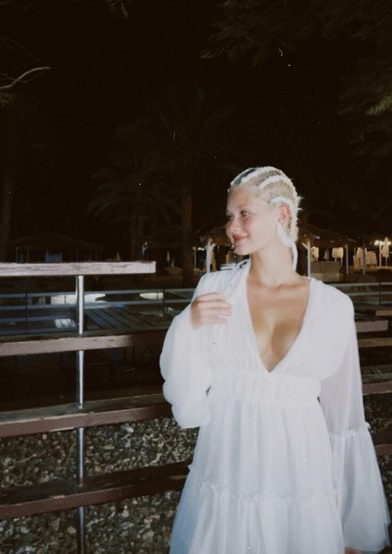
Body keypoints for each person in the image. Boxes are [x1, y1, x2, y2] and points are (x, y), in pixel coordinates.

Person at [160, 166, 390, 554]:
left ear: (281, 213)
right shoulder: (215, 289)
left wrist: (350, 522)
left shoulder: (334, 307)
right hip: (229, 458)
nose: (232, 227)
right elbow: (186, 392)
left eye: (244, 213)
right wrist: (188, 324)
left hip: (300, 466)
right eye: (230, 216)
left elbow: (343, 416)